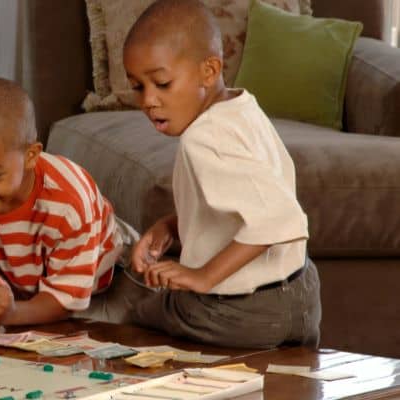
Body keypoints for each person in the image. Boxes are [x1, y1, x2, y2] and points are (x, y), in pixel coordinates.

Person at [123, 0, 321, 348]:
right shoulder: (242, 107)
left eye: (162, 83)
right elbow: (256, 200)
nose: (148, 101)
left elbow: (279, 220)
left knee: (138, 311)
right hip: (302, 295)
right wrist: (172, 225)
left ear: (209, 70)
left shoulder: (203, 137)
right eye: (138, 87)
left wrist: (202, 277)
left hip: (243, 311)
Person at [0, 77, 134, 327]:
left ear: (31, 156)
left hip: (109, 275)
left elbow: (65, 300)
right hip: (30, 283)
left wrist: (13, 314)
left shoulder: (69, 203)